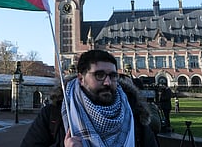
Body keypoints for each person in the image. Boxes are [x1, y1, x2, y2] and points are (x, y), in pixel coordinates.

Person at [21, 49, 158, 147]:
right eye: (99, 75)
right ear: (81, 78)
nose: (107, 82)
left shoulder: (134, 113)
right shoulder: (53, 114)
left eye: (112, 76)